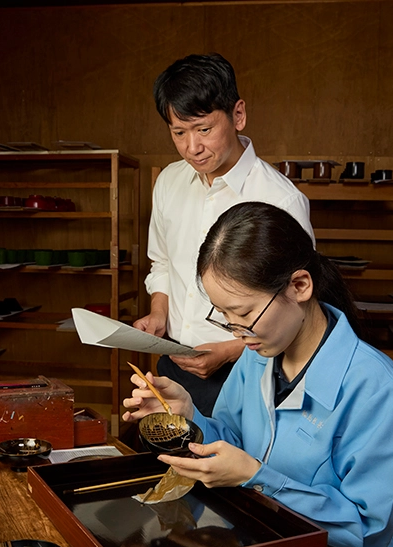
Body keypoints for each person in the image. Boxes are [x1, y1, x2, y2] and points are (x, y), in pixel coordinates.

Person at [124, 202, 393, 547]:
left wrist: (257, 477)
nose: (236, 332)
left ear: (300, 286)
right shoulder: (257, 354)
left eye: (242, 313)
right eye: (223, 315)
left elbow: (367, 531)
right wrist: (187, 416)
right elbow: (232, 441)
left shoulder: (373, 386)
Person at [134, 53, 314, 417]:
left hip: (246, 370)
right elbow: (164, 261)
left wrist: (229, 351)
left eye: (203, 129)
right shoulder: (169, 180)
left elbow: (299, 307)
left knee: (229, 470)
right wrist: (158, 312)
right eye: (178, 132)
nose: (192, 148)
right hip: (173, 361)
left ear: (238, 115)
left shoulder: (280, 199)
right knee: (169, 468)